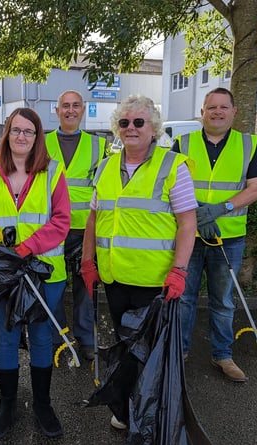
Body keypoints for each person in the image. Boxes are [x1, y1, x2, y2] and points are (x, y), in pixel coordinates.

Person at [80, 95, 197, 430]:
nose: (130, 128)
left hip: (153, 280)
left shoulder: (172, 166)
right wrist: (89, 263)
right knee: (125, 345)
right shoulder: (104, 167)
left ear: (154, 128)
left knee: (145, 351)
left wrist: (179, 270)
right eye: (124, 122)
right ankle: (129, 407)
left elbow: (187, 223)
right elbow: (92, 220)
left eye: (139, 122)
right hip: (115, 277)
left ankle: (145, 412)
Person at [0, 107, 70, 440]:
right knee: (8, 336)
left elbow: (61, 221)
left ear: (37, 137)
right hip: (4, 274)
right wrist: (0, 252)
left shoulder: (53, 172)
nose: (22, 136)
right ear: (7, 134)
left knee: (42, 337)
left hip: (45, 273)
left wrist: (26, 248)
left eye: (29, 131)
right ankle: (8, 404)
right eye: (16, 130)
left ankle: (43, 404)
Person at [172, 87, 257, 383]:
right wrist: (196, 211)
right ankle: (179, 351)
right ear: (202, 112)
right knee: (184, 298)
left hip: (228, 238)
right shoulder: (183, 142)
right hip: (189, 235)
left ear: (233, 111)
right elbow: (169, 184)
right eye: (211, 107)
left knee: (223, 301)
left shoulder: (250, 144)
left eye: (223, 107)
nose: (217, 112)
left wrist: (220, 209)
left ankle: (223, 355)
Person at [45, 90, 105, 361]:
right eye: (65, 105)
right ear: (56, 111)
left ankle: (86, 339)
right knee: (54, 285)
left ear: (83, 110)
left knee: (86, 286)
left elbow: (104, 188)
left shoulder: (99, 145)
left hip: (84, 229)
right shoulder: (41, 143)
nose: (70, 110)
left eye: (75, 106)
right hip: (51, 228)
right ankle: (58, 337)